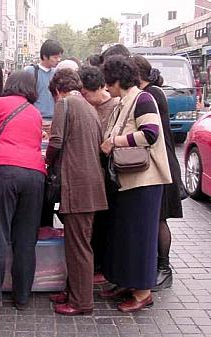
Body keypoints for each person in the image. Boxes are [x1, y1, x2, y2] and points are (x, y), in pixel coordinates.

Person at [100, 55, 172, 312]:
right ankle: (126, 283)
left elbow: (150, 134)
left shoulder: (143, 99)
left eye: (108, 80)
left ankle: (143, 293)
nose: (105, 86)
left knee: (140, 238)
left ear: (117, 78)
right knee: (125, 236)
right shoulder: (124, 101)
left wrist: (116, 142)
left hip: (144, 182)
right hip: (128, 181)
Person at [0, 71, 46, 312]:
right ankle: (22, 297)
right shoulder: (35, 112)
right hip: (35, 173)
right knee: (26, 237)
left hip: (3, 170)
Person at [46, 68, 108, 315]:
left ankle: (81, 302)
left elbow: (56, 141)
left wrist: (47, 162)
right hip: (91, 184)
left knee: (79, 246)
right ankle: (73, 291)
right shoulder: (88, 106)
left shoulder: (65, 104)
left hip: (78, 185)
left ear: (57, 89)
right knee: (78, 242)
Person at [133, 55, 184, 291]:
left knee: (160, 217)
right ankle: (158, 265)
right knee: (158, 218)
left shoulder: (150, 95)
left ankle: (164, 268)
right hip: (164, 160)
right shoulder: (154, 91)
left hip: (162, 163)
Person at [78, 65, 120, 285]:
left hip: (109, 174)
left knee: (106, 223)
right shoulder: (87, 106)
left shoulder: (115, 106)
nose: (84, 98)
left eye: (85, 94)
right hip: (94, 173)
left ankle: (104, 267)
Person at [24, 39, 63, 120]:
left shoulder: (58, 73)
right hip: (35, 118)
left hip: (54, 118)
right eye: (55, 57)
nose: (58, 60)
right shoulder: (30, 71)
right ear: (45, 56)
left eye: (60, 57)